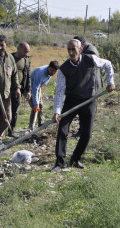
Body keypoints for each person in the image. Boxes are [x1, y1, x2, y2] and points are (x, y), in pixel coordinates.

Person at [52, 39, 115, 171]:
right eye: (68, 50)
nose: (70, 52)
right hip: (72, 99)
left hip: (89, 98)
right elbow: (59, 92)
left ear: (80, 49)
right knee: (62, 129)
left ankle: (75, 159)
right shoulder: (64, 69)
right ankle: (60, 163)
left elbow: (108, 64)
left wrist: (110, 82)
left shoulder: (91, 59)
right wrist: (57, 112)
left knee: (87, 133)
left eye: (73, 49)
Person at [71, 35, 103, 138]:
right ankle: (82, 130)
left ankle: (86, 132)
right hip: (86, 85)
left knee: (88, 111)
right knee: (83, 109)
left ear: (82, 44)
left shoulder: (91, 51)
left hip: (91, 86)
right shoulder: (87, 49)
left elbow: (90, 69)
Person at [8, 42, 32, 138]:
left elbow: (28, 76)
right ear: (19, 49)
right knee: (5, 111)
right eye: (25, 51)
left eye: (28, 52)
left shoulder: (25, 61)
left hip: (19, 91)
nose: (26, 54)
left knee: (15, 111)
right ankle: (1, 131)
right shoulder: (9, 58)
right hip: (8, 89)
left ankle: (11, 131)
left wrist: (28, 90)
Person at [28, 60, 60, 128]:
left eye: (55, 71)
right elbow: (34, 90)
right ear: (48, 67)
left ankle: (41, 124)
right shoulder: (41, 73)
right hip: (29, 88)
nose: (53, 72)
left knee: (41, 105)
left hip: (37, 86)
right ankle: (31, 127)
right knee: (35, 107)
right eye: (52, 70)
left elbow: (47, 78)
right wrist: (36, 104)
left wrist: (42, 85)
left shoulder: (50, 72)